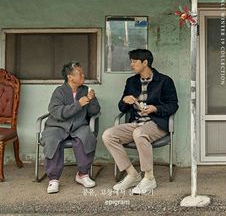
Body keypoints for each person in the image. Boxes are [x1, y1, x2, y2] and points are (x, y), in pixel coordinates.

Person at [102, 49, 178, 195]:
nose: (131, 64)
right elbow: (122, 107)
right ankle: (132, 175)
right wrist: (125, 100)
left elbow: (173, 105)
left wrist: (155, 108)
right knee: (108, 135)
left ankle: (149, 178)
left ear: (145, 62)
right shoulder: (131, 82)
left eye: (134, 61)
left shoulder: (164, 81)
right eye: (131, 61)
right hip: (136, 123)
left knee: (139, 133)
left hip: (157, 124)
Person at [41, 61, 101, 194]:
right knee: (52, 140)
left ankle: (83, 174)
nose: (83, 75)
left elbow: (95, 111)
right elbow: (57, 112)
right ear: (70, 77)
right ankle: (54, 179)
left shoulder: (86, 90)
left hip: (79, 125)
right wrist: (78, 104)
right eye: (80, 73)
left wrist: (91, 100)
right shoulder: (59, 91)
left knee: (86, 137)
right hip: (57, 125)